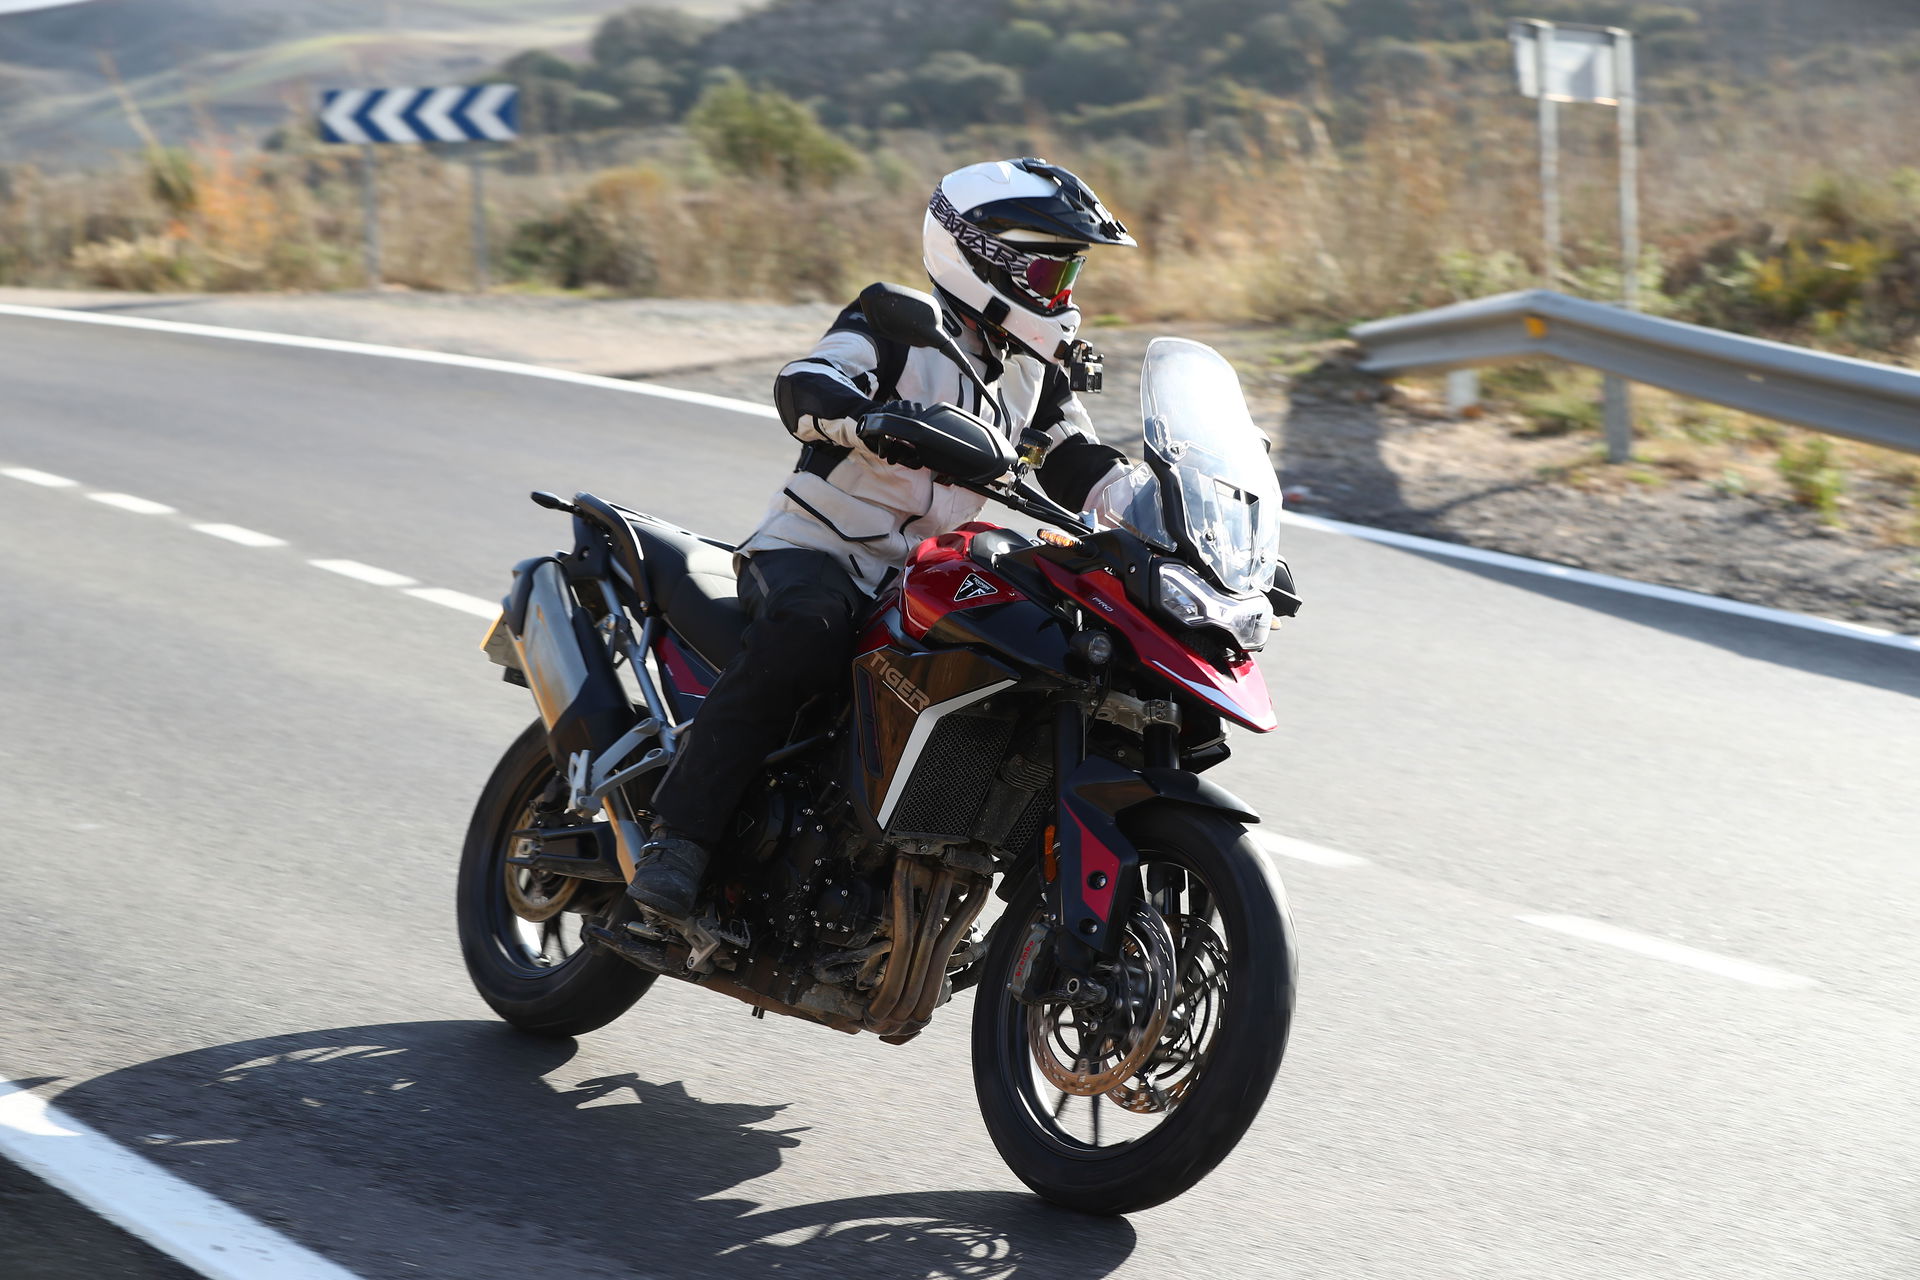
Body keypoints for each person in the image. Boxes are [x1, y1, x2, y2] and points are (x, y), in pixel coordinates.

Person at [629, 157, 1139, 923]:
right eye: (1047, 270)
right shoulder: (896, 324)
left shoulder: (1033, 372)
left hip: (926, 571)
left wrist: (1166, 510)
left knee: (1041, 654)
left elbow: (1081, 463)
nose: (1059, 294)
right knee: (806, 632)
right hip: (818, 549)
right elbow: (804, 384)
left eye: (1068, 275)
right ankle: (681, 841)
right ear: (981, 257)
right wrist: (869, 420)